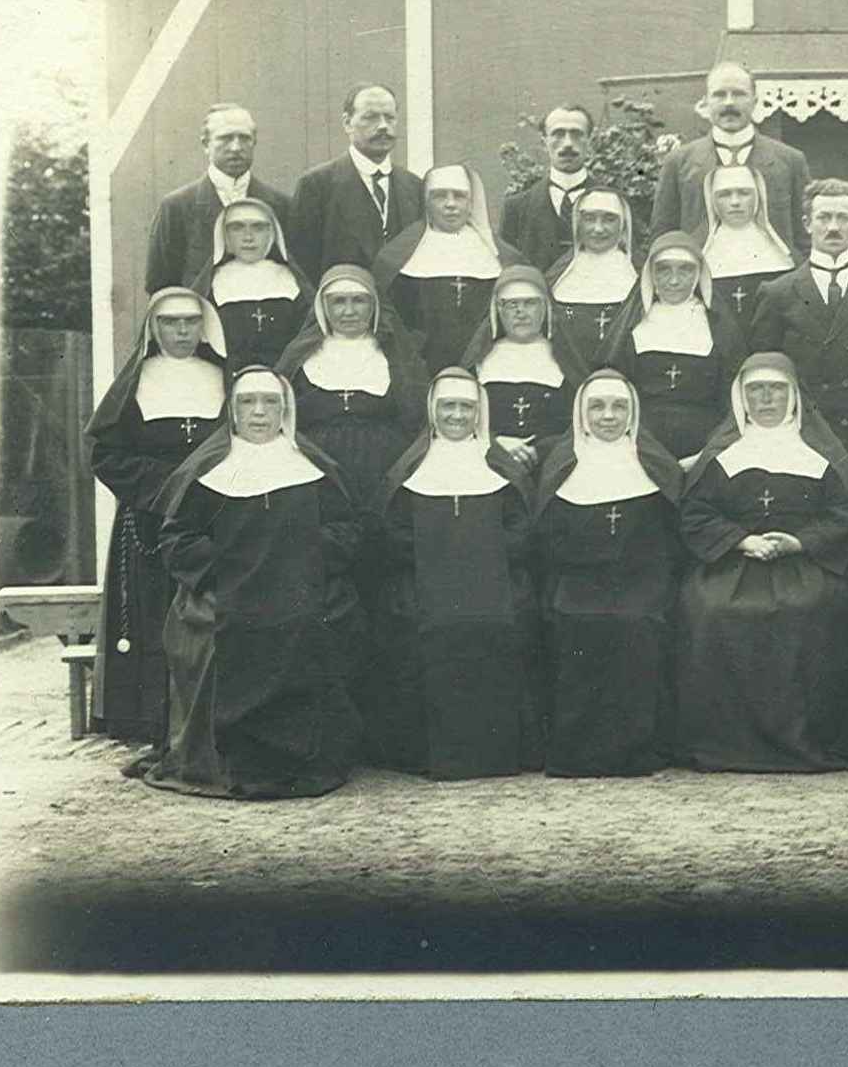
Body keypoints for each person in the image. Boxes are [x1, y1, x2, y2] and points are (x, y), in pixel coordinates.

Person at [143, 368, 364, 798]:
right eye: (248, 402)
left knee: (320, 623)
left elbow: (346, 529)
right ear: (232, 411)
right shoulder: (208, 470)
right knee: (215, 631)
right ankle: (226, 760)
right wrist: (227, 571)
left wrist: (304, 561)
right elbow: (178, 540)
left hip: (301, 586)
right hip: (224, 589)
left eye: (270, 402)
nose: (259, 412)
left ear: (286, 410)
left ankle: (303, 759)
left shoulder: (313, 468)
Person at [675, 353, 848, 772]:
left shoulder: (821, 453)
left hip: (802, 563)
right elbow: (697, 513)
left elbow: (843, 513)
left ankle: (803, 740)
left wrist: (799, 542)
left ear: (793, 396)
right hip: (734, 561)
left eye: (775, 389)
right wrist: (741, 540)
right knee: (709, 608)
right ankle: (726, 744)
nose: (765, 399)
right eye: (755, 390)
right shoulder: (722, 453)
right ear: (741, 397)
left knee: (808, 607)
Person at [376, 369, 538, 778]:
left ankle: (496, 753)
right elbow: (392, 534)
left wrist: (477, 552)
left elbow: (522, 531)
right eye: (448, 406)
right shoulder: (410, 468)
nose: (457, 415)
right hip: (426, 588)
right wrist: (443, 554)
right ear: (433, 411)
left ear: (480, 412)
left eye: (467, 407)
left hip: (493, 587)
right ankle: (429, 755)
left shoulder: (500, 467)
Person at [86, 288, 229, 745]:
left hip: (211, 516)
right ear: (154, 328)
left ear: (204, 327)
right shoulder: (135, 383)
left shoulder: (224, 378)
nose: (182, 331)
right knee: (151, 617)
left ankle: (206, 720)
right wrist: (168, 487)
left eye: (190, 321)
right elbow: (105, 455)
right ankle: (152, 722)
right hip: (149, 520)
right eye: (170, 322)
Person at [531, 371, 687, 777]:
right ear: (581, 414)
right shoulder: (563, 463)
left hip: (642, 579)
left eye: (619, 407)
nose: (608, 416)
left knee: (636, 625)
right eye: (597, 407)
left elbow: (669, 540)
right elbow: (547, 539)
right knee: (578, 625)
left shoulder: (654, 464)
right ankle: (576, 754)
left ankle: (636, 752)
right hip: (576, 579)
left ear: (632, 413)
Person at [749, 178, 848, 471]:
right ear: (807, 223)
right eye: (824, 217)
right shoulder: (777, 293)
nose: (833, 227)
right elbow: (765, 367)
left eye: (843, 218)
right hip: (803, 434)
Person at [275, 265, 429, 521]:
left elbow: (416, 415)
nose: (349, 311)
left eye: (359, 301)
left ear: (374, 305)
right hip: (317, 468)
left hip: (384, 467)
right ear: (323, 306)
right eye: (338, 302)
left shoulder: (396, 354)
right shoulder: (299, 355)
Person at [602, 230, 748, 463]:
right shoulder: (631, 327)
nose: (674, 281)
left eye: (685, 270)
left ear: (699, 274)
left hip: (705, 447)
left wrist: (709, 453)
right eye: (663, 270)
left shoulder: (720, 328)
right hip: (638, 446)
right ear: (650, 274)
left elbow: (734, 401)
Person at [373, 163, 526, 371]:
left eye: (459, 196)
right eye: (440, 196)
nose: (450, 204)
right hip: (420, 365)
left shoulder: (503, 257)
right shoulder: (396, 256)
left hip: (488, 364)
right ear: (426, 202)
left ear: (471, 202)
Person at [647, 61, 809, 250]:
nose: (729, 102)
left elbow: (805, 238)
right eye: (719, 95)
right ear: (706, 102)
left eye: (739, 94)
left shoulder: (790, 161)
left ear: (755, 101)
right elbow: (663, 237)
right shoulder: (678, 162)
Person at [143, 103, 293, 292]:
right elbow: (160, 285)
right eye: (225, 138)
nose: (236, 147)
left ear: (254, 142)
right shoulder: (177, 207)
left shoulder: (280, 206)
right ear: (206, 144)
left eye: (245, 138)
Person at [288, 84, 425, 281]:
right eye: (371, 117)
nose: (383, 126)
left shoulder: (414, 187)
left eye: (389, 117)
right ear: (347, 123)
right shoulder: (316, 186)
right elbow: (302, 265)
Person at [460, 265, 587, 468]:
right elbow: (461, 419)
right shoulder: (478, 362)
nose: (520, 312)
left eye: (530, 303)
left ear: (545, 307)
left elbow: (580, 424)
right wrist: (495, 444)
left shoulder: (565, 361)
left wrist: (540, 451)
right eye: (512, 304)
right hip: (488, 463)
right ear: (498, 309)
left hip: (551, 464)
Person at [189, 197, 312, 374]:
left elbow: (307, 339)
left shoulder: (292, 280)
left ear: (272, 233)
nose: (248, 237)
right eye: (237, 228)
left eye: (258, 227)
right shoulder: (211, 283)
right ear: (225, 235)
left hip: (286, 377)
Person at [543, 186, 639, 370]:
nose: (598, 228)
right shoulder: (556, 276)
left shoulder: (640, 274)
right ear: (577, 223)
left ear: (624, 224)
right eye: (589, 218)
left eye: (609, 219)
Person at [499, 103, 597, 268]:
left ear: (590, 140)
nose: (568, 143)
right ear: (544, 141)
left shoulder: (616, 203)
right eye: (558, 134)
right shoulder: (516, 208)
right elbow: (508, 272)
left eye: (576, 134)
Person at [699, 161, 797, 324]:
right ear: (712, 200)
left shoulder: (785, 253)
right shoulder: (699, 251)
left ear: (758, 196)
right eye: (724, 194)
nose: (735, 202)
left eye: (744, 193)